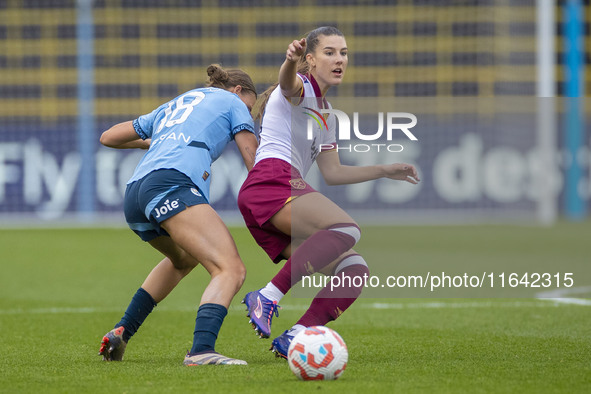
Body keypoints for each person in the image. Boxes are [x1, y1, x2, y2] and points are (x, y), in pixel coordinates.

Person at [237, 27, 420, 359]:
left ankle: (295, 336)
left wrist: (383, 170)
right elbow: (288, 82)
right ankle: (267, 296)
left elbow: (332, 173)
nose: (339, 60)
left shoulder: (325, 113)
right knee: (347, 229)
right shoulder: (301, 87)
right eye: (330, 52)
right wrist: (289, 62)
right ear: (310, 59)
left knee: (353, 269)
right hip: (272, 181)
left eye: (344, 53)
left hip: (271, 194)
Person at [98, 64, 258, 366]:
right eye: (249, 107)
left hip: (135, 193)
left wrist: (162, 141)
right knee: (230, 269)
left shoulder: (175, 105)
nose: (247, 114)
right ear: (238, 91)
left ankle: (122, 330)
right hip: (173, 184)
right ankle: (201, 351)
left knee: (184, 259)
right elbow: (253, 161)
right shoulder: (233, 102)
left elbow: (109, 137)